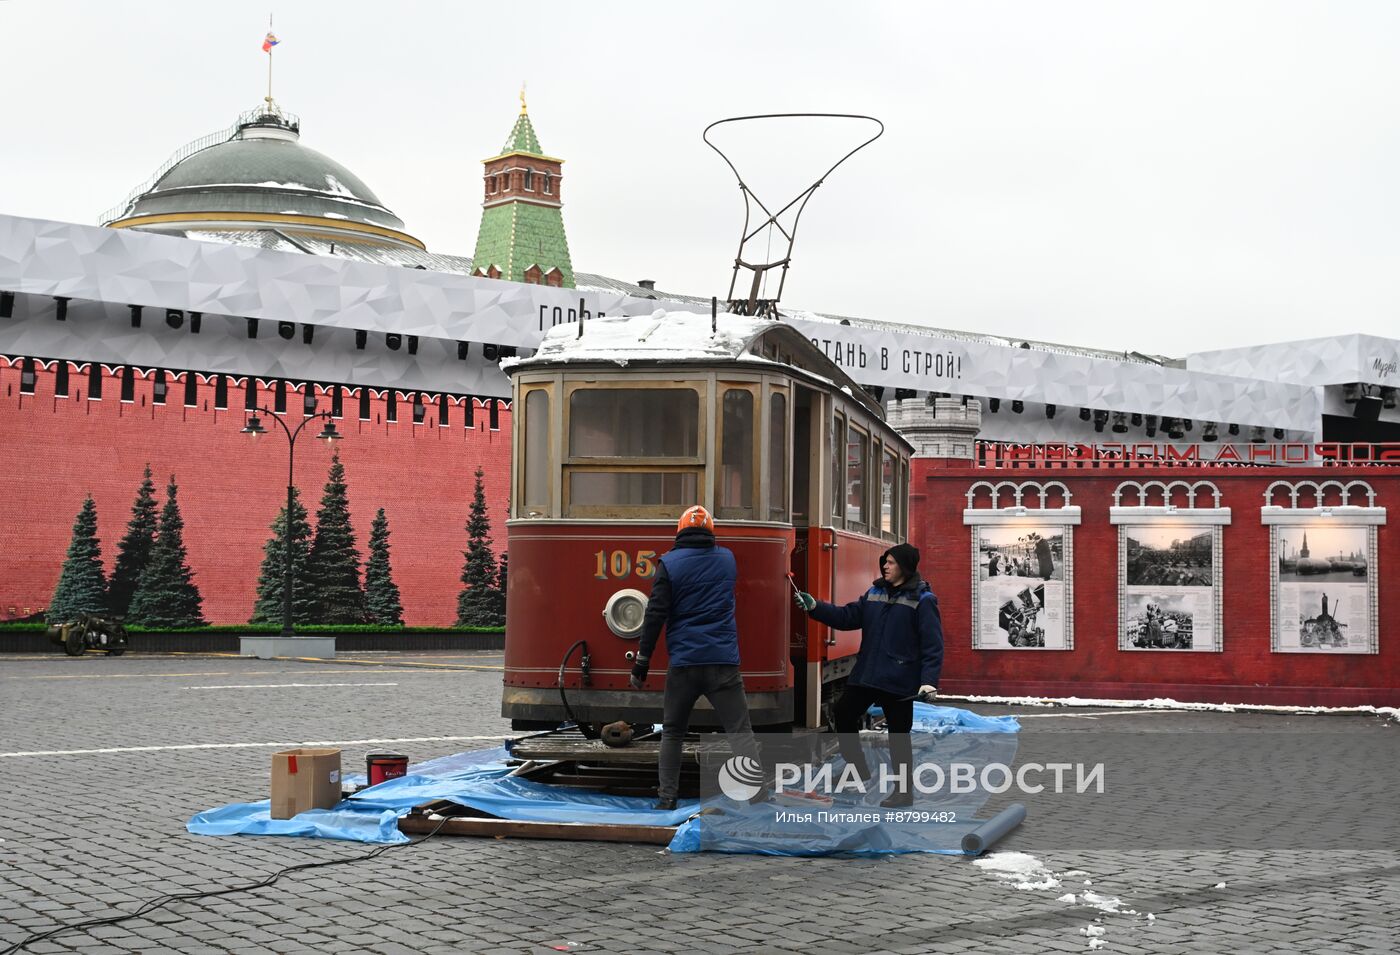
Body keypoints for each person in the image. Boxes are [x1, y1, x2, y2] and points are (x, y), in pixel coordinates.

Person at [629, 504, 762, 812]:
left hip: (685, 663)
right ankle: (756, 796)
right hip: (723, 662)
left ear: (680, 530)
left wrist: (642, 662)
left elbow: (655, 615)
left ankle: (667, 798)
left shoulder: (669, 564)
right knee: (740, 732)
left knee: (673, 731)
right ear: (710, 531)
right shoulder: (727, 559)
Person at [794, 543, 943, 808]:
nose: (885, 566)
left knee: (899, 736)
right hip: (868, 674)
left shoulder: (923, 600)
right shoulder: (874, 593)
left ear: (906, 567)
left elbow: (932, 644)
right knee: (843, 713)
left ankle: (903, 792)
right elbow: (847, 617)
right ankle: (859, 771)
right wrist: (816, 607)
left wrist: (929, 681)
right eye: (884, 561)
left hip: (899, 680)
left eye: (892, 562)